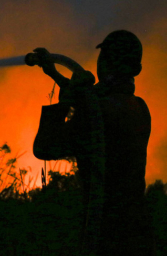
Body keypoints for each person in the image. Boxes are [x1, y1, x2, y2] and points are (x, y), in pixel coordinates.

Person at [32, 30, 155, 255]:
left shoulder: (98, 111)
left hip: (102, 232)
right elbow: (99, 100)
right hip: (136, 232)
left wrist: (64, 103)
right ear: (135, 69)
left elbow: (45, 148)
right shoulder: (139, 108)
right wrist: (55, 74)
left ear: (104, 62)